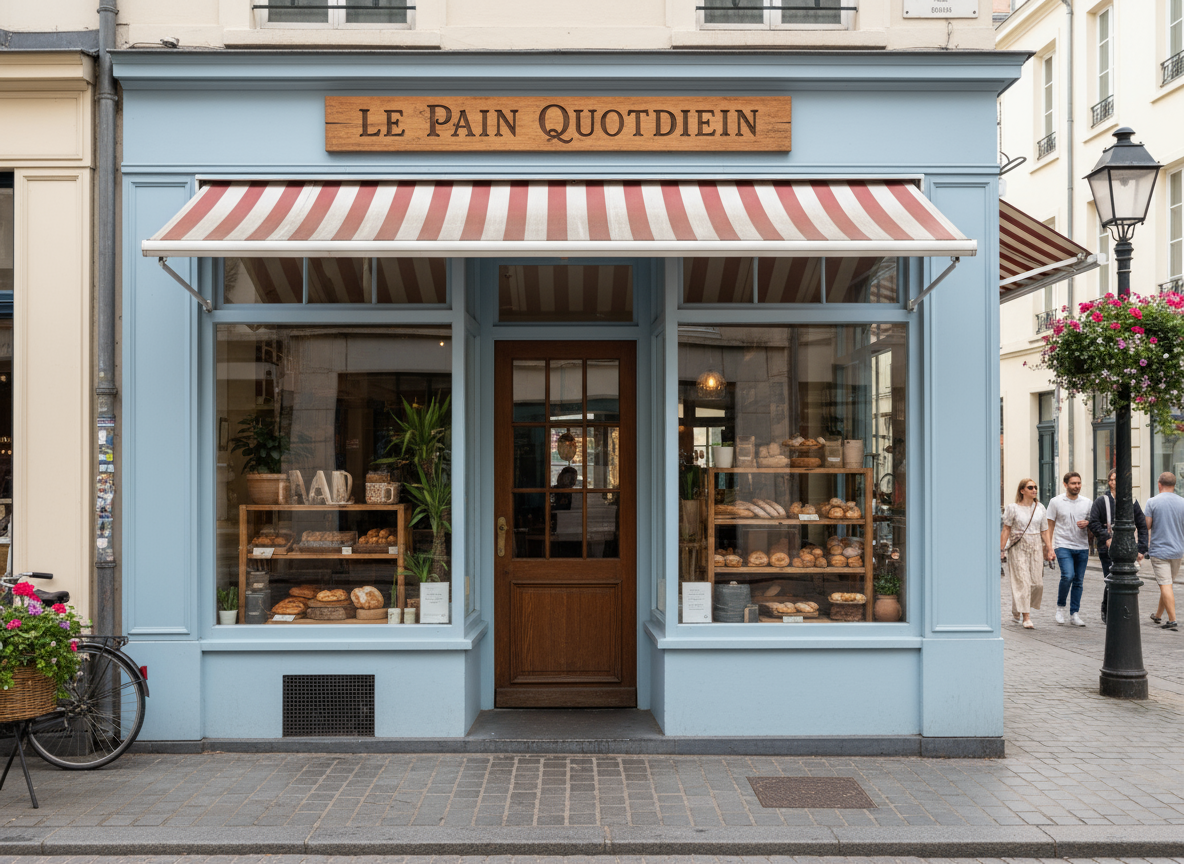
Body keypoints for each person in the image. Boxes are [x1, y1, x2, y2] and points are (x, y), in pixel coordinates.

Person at [1088, 468, 1147, 625]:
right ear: (1110, 482)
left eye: (1120, 479)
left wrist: (1141, 548)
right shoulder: (1102, 501)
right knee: (1110, 577)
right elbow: (1093, 522)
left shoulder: (1131, 501)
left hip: (1127, 548)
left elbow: (1142, 525)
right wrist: (1106, 537)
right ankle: (1108, 609)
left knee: (1125, 579)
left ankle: (1119, 609)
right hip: (1106, 549)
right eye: (1113, 479)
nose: (1116, 482)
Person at [1001, 478, 1053, 628]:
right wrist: (1001, 550)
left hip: (1036, 546)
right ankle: (1026, 617)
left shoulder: (1040, 508)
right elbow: (1006, 529)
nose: (1034, 490)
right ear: (1022, 490)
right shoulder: (1013, 508)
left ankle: (1017, 608)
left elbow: (1044, 531)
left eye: (1035, 487)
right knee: (1023, 582)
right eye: (1030, 487)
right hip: (1018, 547)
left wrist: (1050, 549)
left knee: (1037, 584)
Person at [1047, 471, 1093, 626]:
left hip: (1082, 546)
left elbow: (1093, 522)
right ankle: (1060, 608)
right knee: (1068, 576)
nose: (1077, 486)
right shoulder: (1055, 502)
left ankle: (1074, 614)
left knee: (1079, 581)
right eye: (1073, 483)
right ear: (1065, 484)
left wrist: (1088, 523)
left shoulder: (1087, 502)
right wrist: (1049, 547)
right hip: (1063, 544)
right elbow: (1050, 525)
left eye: (1079, 483)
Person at [1143, 471, 1182, 631]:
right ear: (1174, 485)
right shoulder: (1182, 502)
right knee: (1167, 584)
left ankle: (1172, 620)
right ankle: (1158, 615)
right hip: (1178, 550)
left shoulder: (1152, 502)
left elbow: (1147, 525)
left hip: (1159, 550)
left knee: (1165, 585)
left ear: (1159, 484)